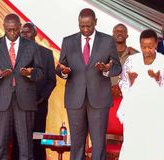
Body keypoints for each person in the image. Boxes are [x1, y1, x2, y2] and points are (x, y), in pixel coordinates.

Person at [56, 8, 122, 160]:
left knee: (98, 144)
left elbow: (117, 67)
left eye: (89, 26)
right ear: (78, 23)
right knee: (77, 143)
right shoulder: (68, 41)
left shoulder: (107, 41)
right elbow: (60, 67)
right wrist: (64, 71)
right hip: (74, 99)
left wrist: (106, 70)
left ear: (96, 22)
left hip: (99, 99)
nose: (85, 29)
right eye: (82, 26)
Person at [0, 14, 44, 160]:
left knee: (25, 146)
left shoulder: (31, 46)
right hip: (0, 100)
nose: (12, 33)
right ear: (3, 27)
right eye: (9, 30)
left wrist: (30, 74)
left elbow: (40, 71)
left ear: (20, 27)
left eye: (15, 30)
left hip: (24, 100)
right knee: (0, 145)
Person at [117, 29, 164, 160]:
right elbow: (122, 83)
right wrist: (130, 81)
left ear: (156, 44)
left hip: (156, 112)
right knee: (133, 144)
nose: (147, 50)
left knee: (157, 145)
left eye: (150, 47)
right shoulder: (131, 60)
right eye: (143, 47)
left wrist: (159, 80)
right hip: (135, 111)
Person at [12, 22, 56, 160]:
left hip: (39, 105)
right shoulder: (14, 53)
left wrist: (41, 99)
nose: (25, 34)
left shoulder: (46, 53)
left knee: (38, 140)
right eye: (22, 32)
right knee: (19, 141)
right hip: (18, 105)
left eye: (28, 32)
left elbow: (51, 80)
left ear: (35, 33)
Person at [111, 23, 138, 98]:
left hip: (128, 97)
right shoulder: (105, 54)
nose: (120, 32)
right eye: (117, 31)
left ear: (127, 36)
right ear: (112, 36)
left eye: (123, 31)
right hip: (108, 97)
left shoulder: (135, 55)